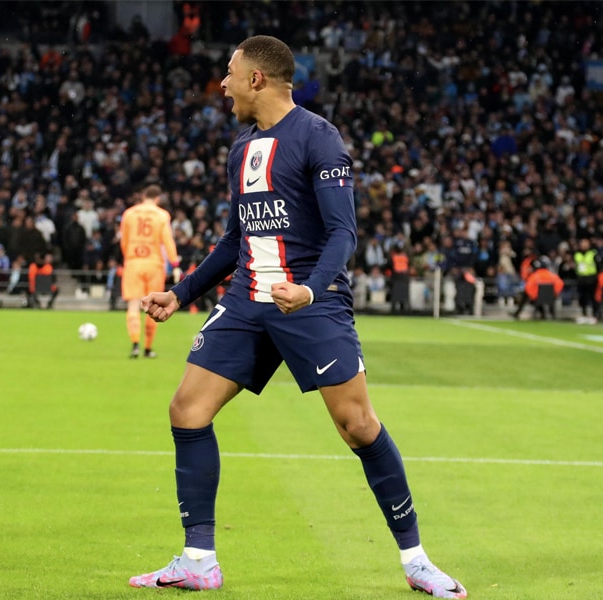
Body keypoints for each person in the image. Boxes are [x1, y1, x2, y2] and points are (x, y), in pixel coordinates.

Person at [130, 36, 467, 598]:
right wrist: (182, 291)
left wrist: (311, 290)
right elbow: (234, 239)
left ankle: (416, 562)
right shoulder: (241, 148)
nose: (223, 84)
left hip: (311, 305)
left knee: (358, 425)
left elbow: (344, 232)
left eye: (231, 73)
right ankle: (198, 560)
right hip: (246, 302)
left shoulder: (318, 137)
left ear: (257, 79)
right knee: (187, 410)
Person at [119, 184, 181, 358]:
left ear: (142, 196)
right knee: (153, 305)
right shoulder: (162, 215)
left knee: (133, 304)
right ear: (158, 199)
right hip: (154, 264)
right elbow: (167, 241)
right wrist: (175, 263)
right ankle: (148, 348)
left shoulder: (129, 214)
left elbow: (123, 241)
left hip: (133, 262)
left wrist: (129, 257)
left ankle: (135, 344)